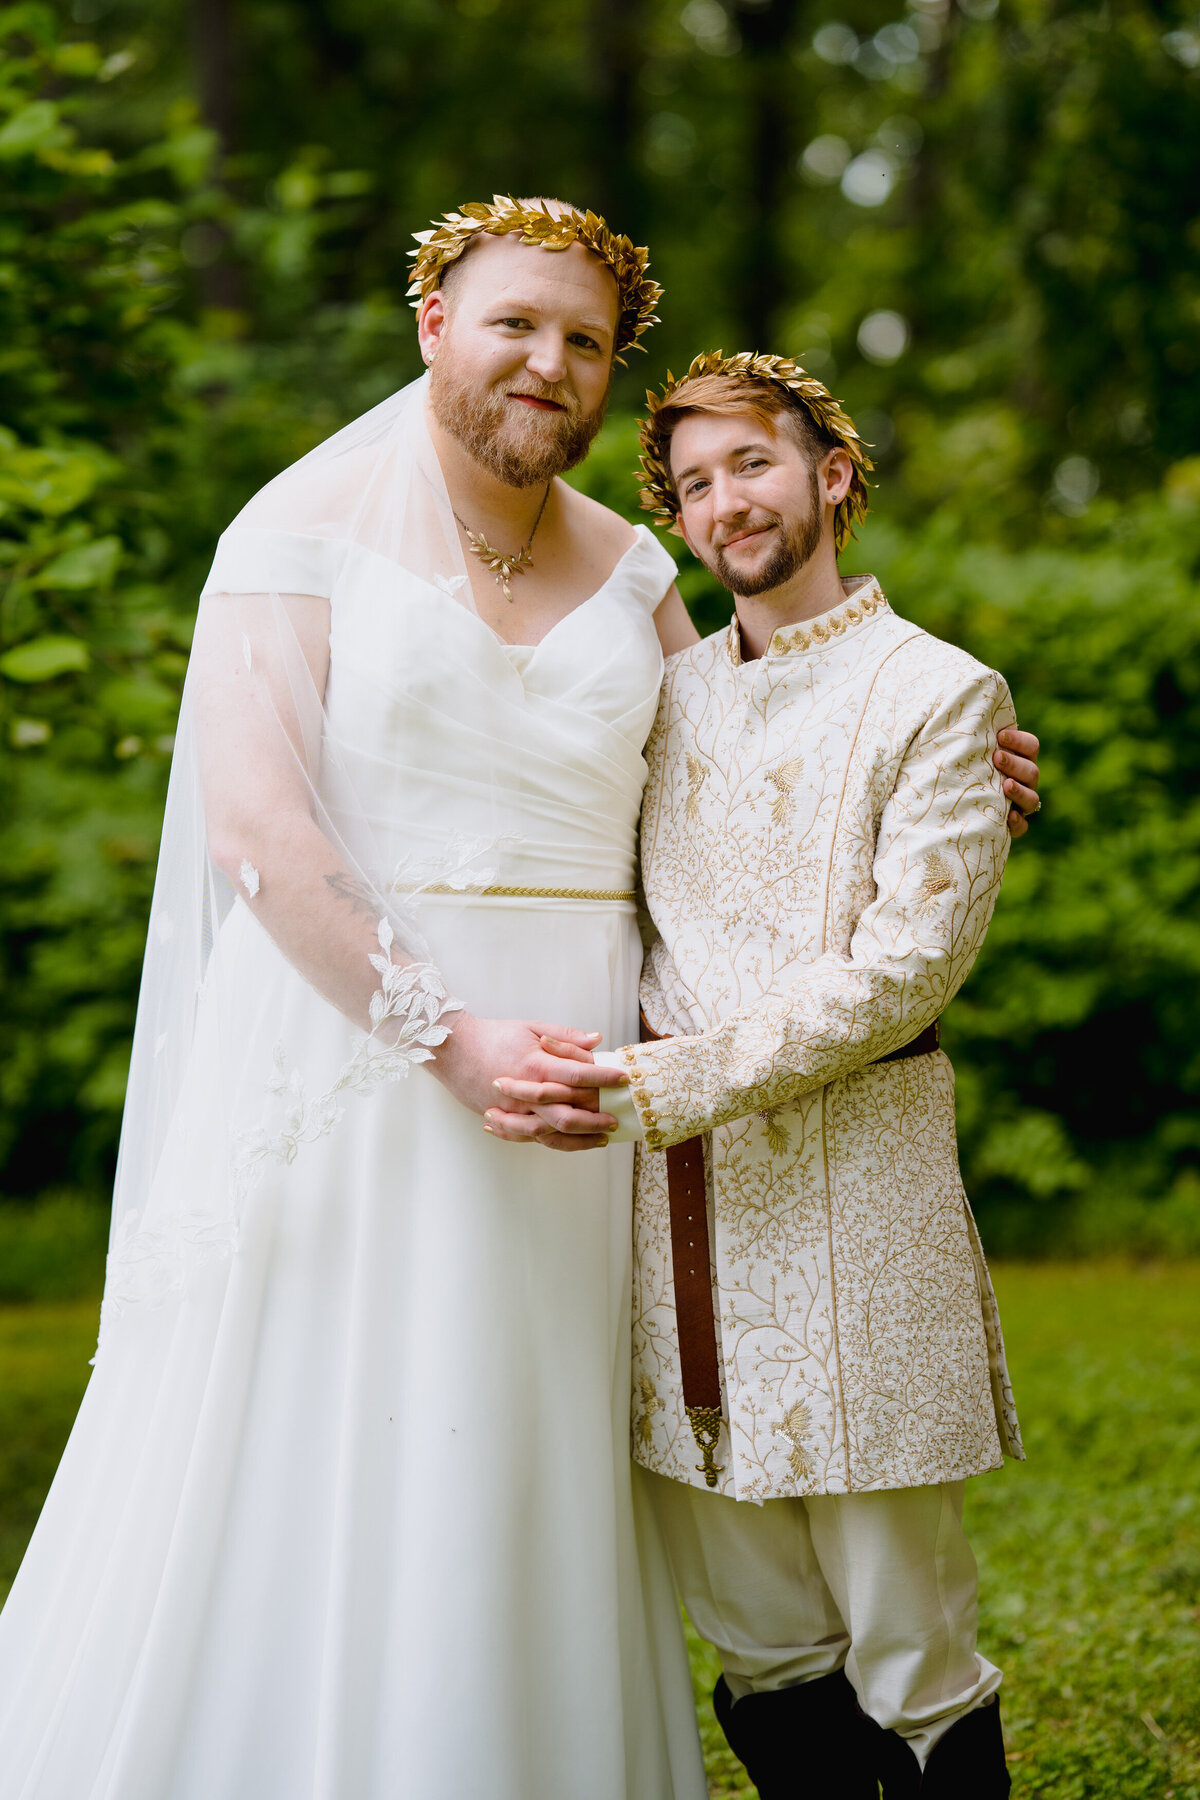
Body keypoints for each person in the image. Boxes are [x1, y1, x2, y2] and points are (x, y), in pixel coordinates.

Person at [0, 197, 709, 1800]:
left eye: (585, 340)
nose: (549, 360)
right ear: (433, 327)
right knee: (326, 1449)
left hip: (577, 1091)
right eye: (517, 322)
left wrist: (925, 744)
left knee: (519, 1457)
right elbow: (260, 828)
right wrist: (449, 1042)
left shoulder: (635, 568)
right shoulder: (295, 531)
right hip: (362, 1065)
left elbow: (739, 783)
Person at [487, 350, 1037, 1797]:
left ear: (832, 474)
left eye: (754, 464)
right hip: (679, 1242)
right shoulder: (663, 704)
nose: (725, 501)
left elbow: (905, 968)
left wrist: (665, 1084)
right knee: (759, 1644)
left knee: (904, 1639)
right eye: (694, 483)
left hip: (860, 1211)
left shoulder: (942, 694)